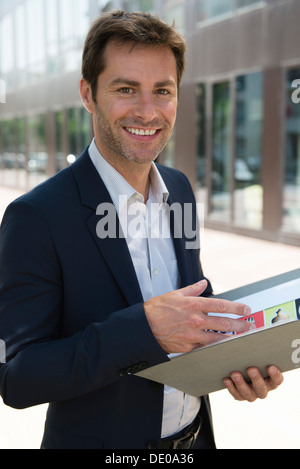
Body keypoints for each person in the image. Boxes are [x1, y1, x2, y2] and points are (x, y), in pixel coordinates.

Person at [0, 10, 283, 450]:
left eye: (163, 91)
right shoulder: (36, 217)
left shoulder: (181, 189)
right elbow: (17, 377)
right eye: (126, 89)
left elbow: (194, 298)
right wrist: (143, 330)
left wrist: (240, 355)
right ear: (88, 94)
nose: (148, 111)